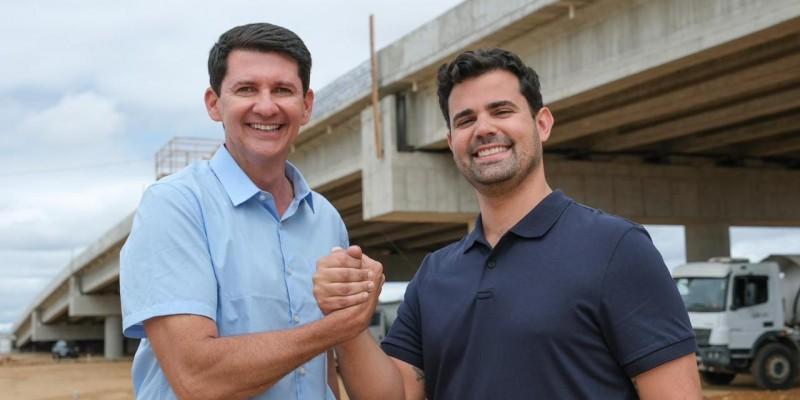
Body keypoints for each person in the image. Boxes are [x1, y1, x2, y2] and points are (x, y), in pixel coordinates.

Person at [314, 48, 702, 399]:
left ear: (543, 124)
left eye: (501, 111)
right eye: (466, 119)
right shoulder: (434, 275)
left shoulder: (617, 248)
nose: (483, 128)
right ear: (452, 143)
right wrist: (348, 320)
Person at [120, 23, 378, 400]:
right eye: (246, 89)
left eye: (283, 90)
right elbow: (197, 378)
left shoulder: (325, 219)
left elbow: (321, 373)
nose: (267, 106)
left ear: (306, 106)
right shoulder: (174, 205)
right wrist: (339, 326)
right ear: (214, 103)